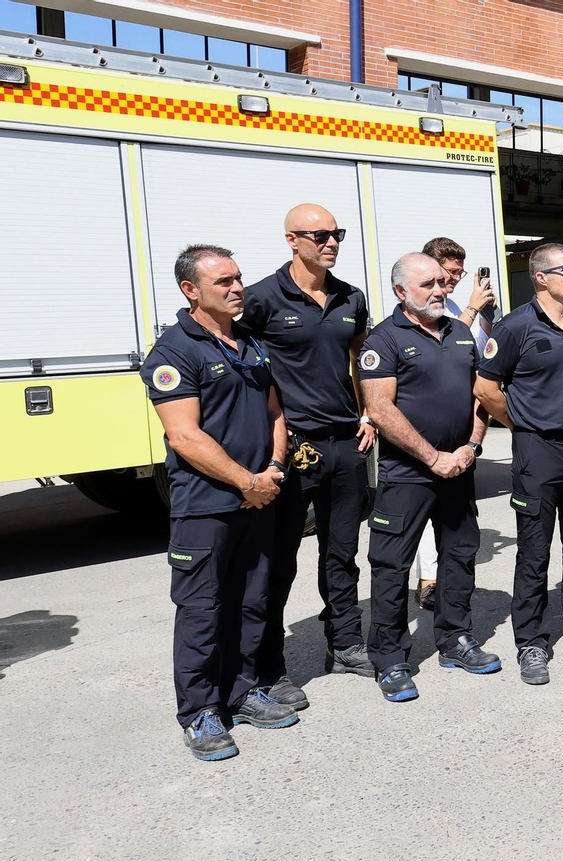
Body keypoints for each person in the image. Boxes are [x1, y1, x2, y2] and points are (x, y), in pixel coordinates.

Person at [144, 245, 295, 761]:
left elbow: (276, 411)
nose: (238, 289)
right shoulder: (173, 352)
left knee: (252, 601)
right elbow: (184, 436)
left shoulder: (249, 341)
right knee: (202, 610)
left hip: (259, 497)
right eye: (223, 282)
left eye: (238, 279)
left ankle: (244, 690)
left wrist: (273, 470)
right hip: (206, 505)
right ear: (191, 290)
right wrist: (245, 482)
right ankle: (200, 712)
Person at [241, 203, 374, 712]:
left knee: (341, 553)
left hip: (346, 442)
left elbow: (360, 358)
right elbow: (241, 366)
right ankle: (268, 669)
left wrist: (368, 415)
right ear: (291, 240)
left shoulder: (350, 296)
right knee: (277, 562)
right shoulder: (259, 299)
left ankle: (344, 645)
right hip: (292, 447)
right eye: (318, 235)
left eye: (336, 233)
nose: (331, 242)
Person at [474, 243, 563, 686]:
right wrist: (525, 423)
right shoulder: (516, 326)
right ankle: (532, 642)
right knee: (534, 551)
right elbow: (485, 387)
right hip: (539, 451)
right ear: (541, 277)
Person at [360, 253, 496, 703]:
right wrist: (432, 456)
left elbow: (481, 395)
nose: (440, 289)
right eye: (427, 284)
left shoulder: (460, 332)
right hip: (408, 475)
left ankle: (455, 640)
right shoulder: (384, 339)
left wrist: (471, 447)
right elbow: (380, 409)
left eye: (442, 281)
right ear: (401, 292)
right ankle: (390, 659)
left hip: (458, 468)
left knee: (458, 557)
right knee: (391, 567)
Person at [410, 237, 499, 611]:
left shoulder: (465, 308)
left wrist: (486, 315)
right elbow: (439, 346)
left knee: (455, 511)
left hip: (463, 424)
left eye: (460, 273)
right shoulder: (417, 307)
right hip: (424, 426)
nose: (455, 280)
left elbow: (485, 352)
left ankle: (450, 580)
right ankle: (428, 581)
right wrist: (471, 311)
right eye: (450, 272)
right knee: (423, 505)